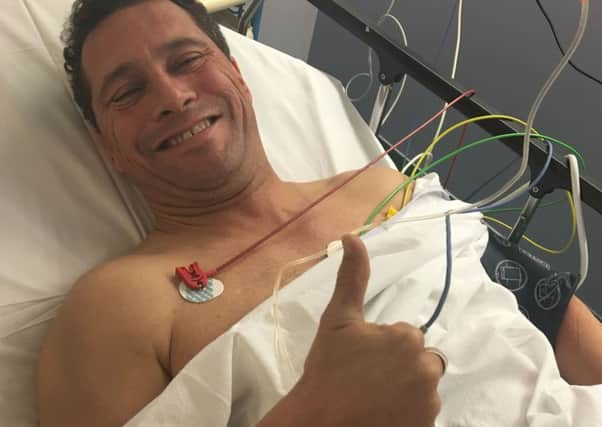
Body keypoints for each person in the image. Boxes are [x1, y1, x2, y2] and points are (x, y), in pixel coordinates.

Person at [37, 0, 602, 426]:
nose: (171, 96)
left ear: (239, 76)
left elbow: (541, 305)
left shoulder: (383, 188)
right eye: (127, 93)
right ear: (104, 143)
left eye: (187, 60)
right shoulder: (114, 309)